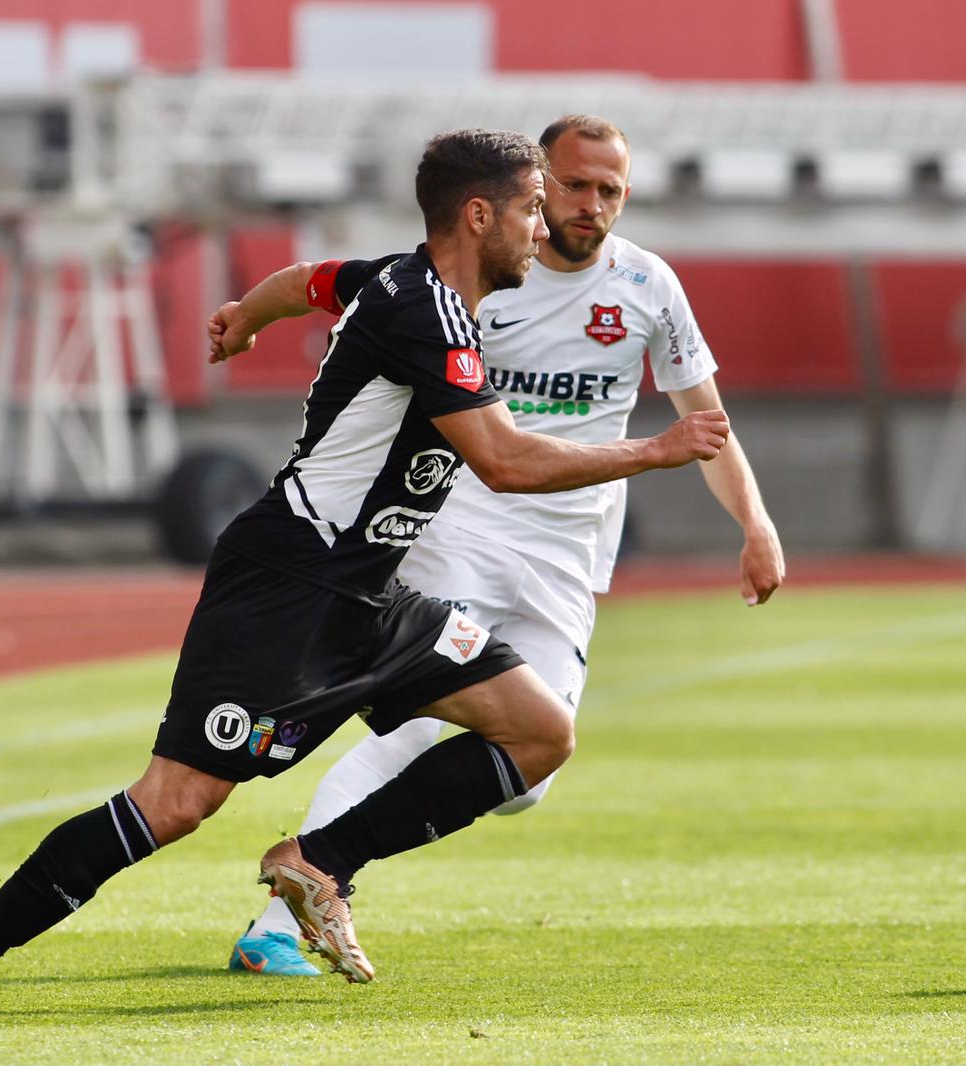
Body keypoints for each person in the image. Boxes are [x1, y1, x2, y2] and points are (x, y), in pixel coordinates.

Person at [0, 127, 731, 1012]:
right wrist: (656, 450)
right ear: (478, 215)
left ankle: (319, 861)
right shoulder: (429, 314)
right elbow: (507, 463)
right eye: (530, 208)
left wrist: (246, 316)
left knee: (540, 733)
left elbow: (310, 282)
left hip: (372, 591)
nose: (544, 227)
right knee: (177, 801)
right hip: (287, 582)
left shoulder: (398, 280)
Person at [206, 114, 785, 978]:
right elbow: (321, 281)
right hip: (461, 522)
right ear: (537, 185)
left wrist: (757, 522)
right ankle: (282, 919)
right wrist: (248, 317)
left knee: (534, 766)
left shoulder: (649, 287)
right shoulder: (476, 269)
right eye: (576, 186)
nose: (591, 206)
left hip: (569, 549)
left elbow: (707, 422)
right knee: (412, 723)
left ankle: (315, 868)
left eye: (611, 191)